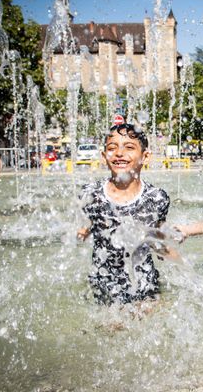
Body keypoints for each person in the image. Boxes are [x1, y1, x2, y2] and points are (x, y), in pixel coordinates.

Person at [77, 123, 170, 305]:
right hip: (105, 284)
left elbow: (158, 243)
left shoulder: (157, 198)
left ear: (145, 156)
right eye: (112, 148)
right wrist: (79, 233)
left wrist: (183, 264)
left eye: (129, 147)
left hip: (145, 285)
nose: (119, 153)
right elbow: (81, 231)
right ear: (104, 156)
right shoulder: (91, 194)